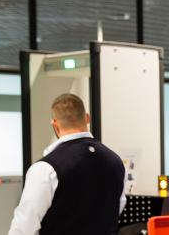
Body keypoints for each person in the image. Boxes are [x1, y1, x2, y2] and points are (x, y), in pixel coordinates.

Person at [8, 93, 126, 235]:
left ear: (55, 124)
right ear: (87, 118)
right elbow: (116, 208)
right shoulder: (116, 162)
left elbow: (24, 226)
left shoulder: (46, 168)